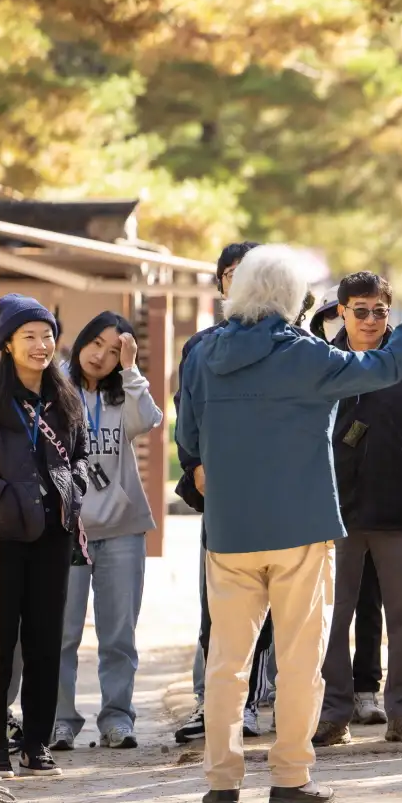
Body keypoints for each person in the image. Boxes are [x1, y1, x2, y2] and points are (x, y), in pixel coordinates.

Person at [178, 248, 402, 803]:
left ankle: (222, 782)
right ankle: (290, 777)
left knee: (227, 662)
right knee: (300, 659)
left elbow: (190, 430)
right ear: (294, 297)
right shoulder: (305, 355)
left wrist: (203, 464)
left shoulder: (202, 353)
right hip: (301, 525)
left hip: (230, 528)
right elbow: (385, 367)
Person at [313, 272, 402, 747]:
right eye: (360, 310)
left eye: (380, 311)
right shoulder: (323, 363)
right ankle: (332, 712)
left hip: (399, 511)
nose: (370, 320)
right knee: (331, 617)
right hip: (335, 511)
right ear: (341, 311)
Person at [175, 241, 276, 745]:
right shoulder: (200, 347)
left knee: (266, 612)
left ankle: (251, 705)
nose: (237, 281)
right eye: (229, 273)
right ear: (219, 284)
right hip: (220, 500)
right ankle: (209, 702)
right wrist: (193, 466)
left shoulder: (289, 343)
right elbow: (186, 419)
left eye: (248, 272)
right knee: (213, 606)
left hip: (275, 500)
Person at [54, 312, 164, 752]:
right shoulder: (55, 389)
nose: (101, 355)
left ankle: (117, 718)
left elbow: (150, 419)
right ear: (81, 342)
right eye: (95, 343)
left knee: (119, 633)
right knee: (61, 633)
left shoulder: (125, 394)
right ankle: (60, 720)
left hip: (122, 529)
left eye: (115, 350)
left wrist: (134, 368)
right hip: (67, 530)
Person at [0, 294, 88, 778]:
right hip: (3, 537)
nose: (41, 344)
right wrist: (1, 497)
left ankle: (37, 743)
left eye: (47, 334)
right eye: (28, 336)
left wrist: (74, 490)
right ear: (6, 344)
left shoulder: (65, 394)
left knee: (46, 641)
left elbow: (83, 455)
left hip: (54, 534)